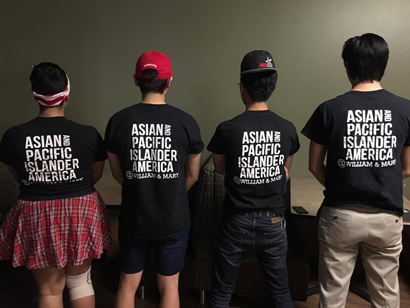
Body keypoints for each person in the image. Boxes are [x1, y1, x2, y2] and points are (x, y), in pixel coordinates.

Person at [302, 33, 410, 307]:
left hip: (340, 215)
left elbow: (314, 166)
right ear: (383, 63)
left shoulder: (329, 109)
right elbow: (407, 169)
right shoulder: (405, 110)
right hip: (387, 216)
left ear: (347, 65)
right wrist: (379, 180)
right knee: (386, 296)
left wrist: (342, 183)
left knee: (332, 295)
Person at [0, 62, 111, 308]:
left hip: (35, 210)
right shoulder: (89, 134)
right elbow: (95, 175)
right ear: (66, 94)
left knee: (50, 292)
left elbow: (19, 176)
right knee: (81, 283)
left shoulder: (13, 136)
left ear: (35, 95)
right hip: (81, 208)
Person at [104, 50, 203, 308]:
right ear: (169, 82)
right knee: (170, 286)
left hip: (134, 216)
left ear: (136, 80)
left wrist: (140, 185)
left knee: (128, 283)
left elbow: (117, 172)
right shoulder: (186, 122)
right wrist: (170, 190)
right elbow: (192, 175)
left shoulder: (118, 121)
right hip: (174, 217)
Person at [207, 50, 299, 308]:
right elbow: (284, 170)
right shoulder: (287, 128)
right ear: (272, 87)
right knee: (281, 292)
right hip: (274, 220)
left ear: (242, 88)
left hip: (236, 220)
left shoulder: (227, 128)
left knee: (222, 291)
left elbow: (220, 169)